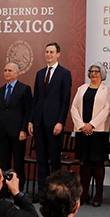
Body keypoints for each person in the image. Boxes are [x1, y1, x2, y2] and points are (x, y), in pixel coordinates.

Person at [29, 42, 73, 193]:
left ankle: (55, 191)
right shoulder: (40, 73)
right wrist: (31, 120)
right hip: (39, 121)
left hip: (54, 123)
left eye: (52, 52)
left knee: (54, 159)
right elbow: (36, 99)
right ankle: (42, 191)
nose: (48, 54)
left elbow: (65, 100)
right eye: (47, 52)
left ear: (58, 54)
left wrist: (60, 122)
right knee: (41, 158)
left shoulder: (64, 73)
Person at [69, 62, 110, 207]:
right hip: (83, 131)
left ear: (102, 74)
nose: (93, 74)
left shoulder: (107, 90)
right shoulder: (82, 88)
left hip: (98, 131)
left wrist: (91, 124)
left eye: (97, 71)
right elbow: (74, 107)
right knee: (85, 162)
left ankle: (98, 194)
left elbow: (107, 110)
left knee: (98, 163)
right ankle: (85, 193)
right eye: (91, 71)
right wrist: (82, 125)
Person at [0, 62, 33, 185]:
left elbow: (28, 111)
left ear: (17, 73)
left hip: (17, 132)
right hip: (3, 131)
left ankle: (18, 189)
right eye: (5, 70)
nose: (7, 73)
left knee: (18, 162)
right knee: (4, 162)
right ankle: (4, 188)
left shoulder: (24, 89)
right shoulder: (0, 91)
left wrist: (24, 130)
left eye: (10, 70)